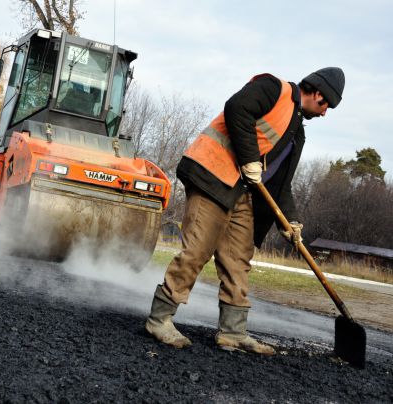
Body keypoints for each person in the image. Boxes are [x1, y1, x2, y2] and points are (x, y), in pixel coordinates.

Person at [145, 67, 345, 355]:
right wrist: (251, 159)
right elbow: (236, 108)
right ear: (316, 93)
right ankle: (159, 319)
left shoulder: (295, 134)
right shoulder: (273, 89)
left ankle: (233, 332)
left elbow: (280, 185)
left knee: (238, 259)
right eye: (327, 105)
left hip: (239, 192)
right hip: (212, 176)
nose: (325, 113)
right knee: (197, 250)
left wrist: (292, 222)